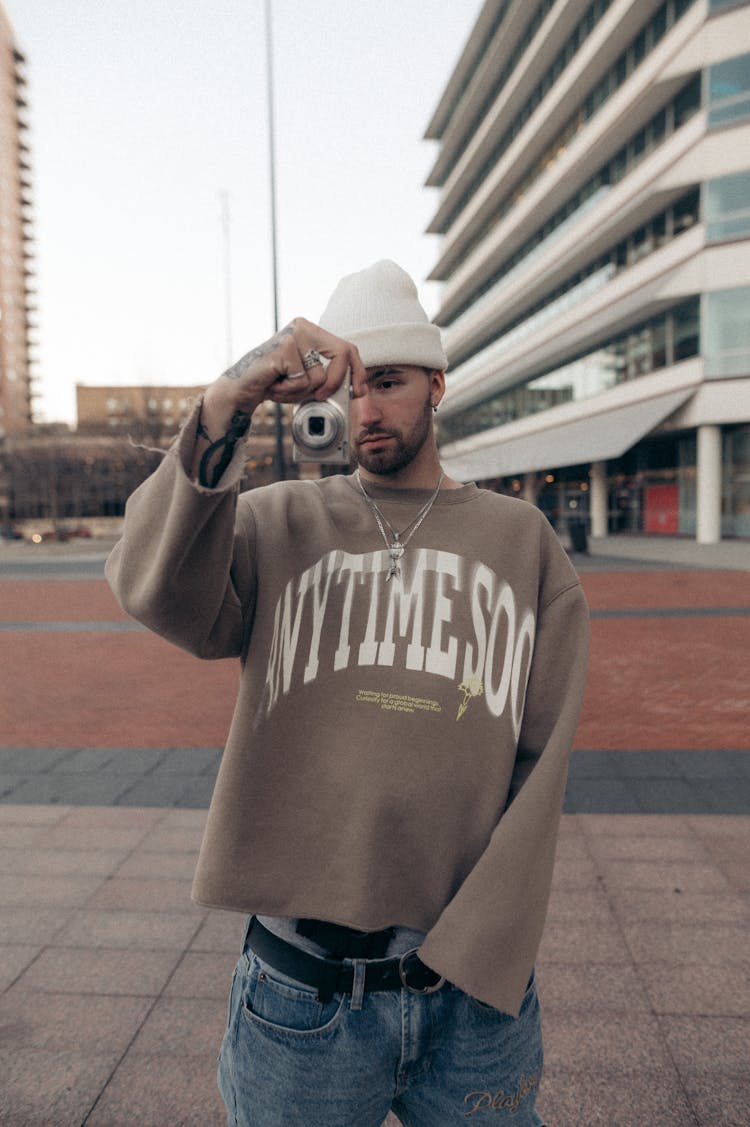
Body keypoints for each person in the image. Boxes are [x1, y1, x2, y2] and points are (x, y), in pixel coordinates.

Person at [106, 260, 589, 1127]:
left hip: (472, 1000)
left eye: (392, 382)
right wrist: (230, 401)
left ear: (438, 384)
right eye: (353, 386)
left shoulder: (524, 543)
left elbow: (541, 759)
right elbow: (153, 586)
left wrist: (483, 953)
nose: (369, 409)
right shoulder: (276, 522)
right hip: (301, 995)